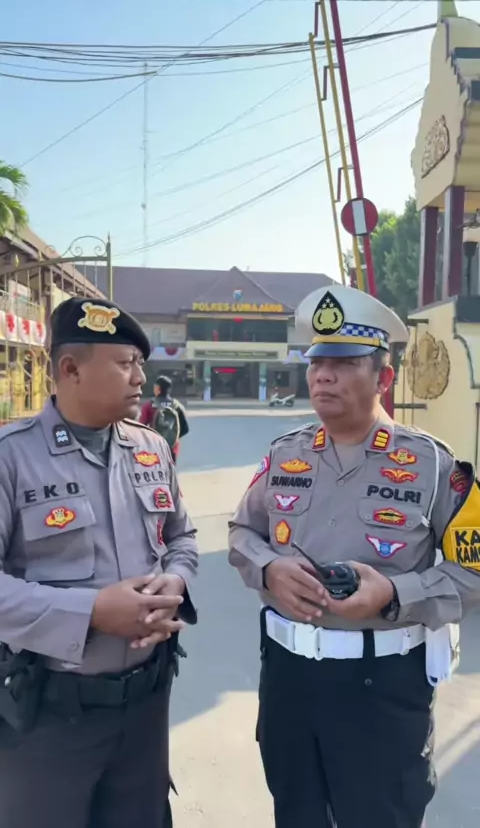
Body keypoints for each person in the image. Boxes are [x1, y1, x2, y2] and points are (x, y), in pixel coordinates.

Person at [228, 283, 480, 828]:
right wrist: (269, 568)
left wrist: (395, 594)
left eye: (343, 364)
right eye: (317, 363)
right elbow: (243, 532)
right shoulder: (285, 455)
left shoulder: (433, 466)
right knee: (297, 815)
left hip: (382, 688)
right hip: (289, 683)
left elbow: (473, 570)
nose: (323, 376)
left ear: (383, 378)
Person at [0, 296, 198, 828]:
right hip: (48, 714)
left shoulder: (151, 448)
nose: (141, 377)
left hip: (146, 705)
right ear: (70, 369)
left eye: (140, 363)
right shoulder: (11, 458)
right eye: (125, 363)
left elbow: (182, 537)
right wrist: (91, 613)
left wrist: (174, 581)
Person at [140, 374, 189, 465]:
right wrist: (172, 437)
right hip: (172, 447)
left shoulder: (149, 405)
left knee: (155, 470)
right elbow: (185, 428)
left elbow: (141, 427)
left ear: (158, 388)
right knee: (170, 470)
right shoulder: (176, 405)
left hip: (154, 446)